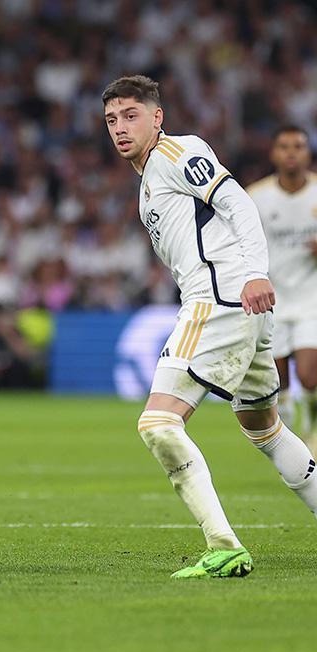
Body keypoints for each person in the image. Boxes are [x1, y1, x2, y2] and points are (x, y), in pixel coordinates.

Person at [103, 75, 317, 579]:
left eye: (131, 115)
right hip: (241, 307)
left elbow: (238, 202)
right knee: (263, 427)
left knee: (157, 424)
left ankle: (223, 544)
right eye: (111, 119)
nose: (119, 127)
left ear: (157, 118)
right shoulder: (147, 183)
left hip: (218, 300)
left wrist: (256, 272)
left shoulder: (178, 152)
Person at [247, 127, 317, 443]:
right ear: (274, 153)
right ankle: (292, 433)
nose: (291, 152)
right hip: (272, 300)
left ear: (308, 153)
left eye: (298, 146)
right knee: (279, 384)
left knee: (308, 374)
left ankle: (312, 421)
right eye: (284, 146)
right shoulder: (255, 197)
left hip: (311, 298)